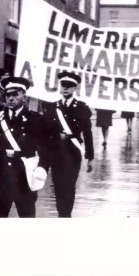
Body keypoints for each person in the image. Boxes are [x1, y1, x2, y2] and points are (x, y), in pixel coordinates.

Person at [0, 77, 49, 218]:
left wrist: (43, 167)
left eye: (15, 94)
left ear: (24, 96)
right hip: (0, 178)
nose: (10, 98)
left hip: (24, 178)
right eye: (8, 95)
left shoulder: (35, 119)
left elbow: (45, 148)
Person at [43, 71, 94, 218]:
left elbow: (88, 133)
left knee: (69, 186)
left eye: (69, 86)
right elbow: (46, 133)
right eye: (63, 85)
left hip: (73, 153)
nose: (65, 88)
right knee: (58, 186)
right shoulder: (52, 107)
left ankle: (66, 215)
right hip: (56, 152)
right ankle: (61, 214)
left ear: (75, 88)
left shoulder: (82, 108)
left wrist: (90, 156)